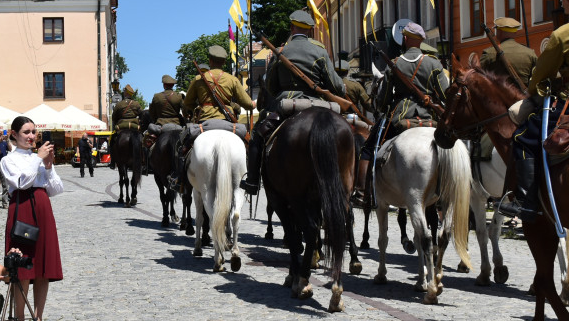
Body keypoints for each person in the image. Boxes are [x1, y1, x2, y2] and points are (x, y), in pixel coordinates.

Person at [502, 0, 569, 220]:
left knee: (524, 137)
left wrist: (537, 91)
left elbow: (540, 77)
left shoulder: (565, 33)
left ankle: (526, 202)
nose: (562, 3)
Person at [244, 12, 344, 195]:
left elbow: (272, 87)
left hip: (286, 104)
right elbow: (336, 85)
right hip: (318, 104)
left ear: (292, 27)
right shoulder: (320, 51)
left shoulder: (281, 52)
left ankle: (252, 181)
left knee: (258, 136)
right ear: (310, 30)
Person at [352, 21, 448, 205]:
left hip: (400, 116)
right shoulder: (434, 64)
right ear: (420, 41)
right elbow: (445, 95)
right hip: (430, 118)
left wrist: (382, 106)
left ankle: (363, 192)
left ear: (404, 39)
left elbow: (384, 99)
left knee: (368, 148)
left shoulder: (395, 63)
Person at [0, 115, 63, 321]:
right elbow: (21, 183)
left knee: (43, 268)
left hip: (43, 209)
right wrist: (38, 160)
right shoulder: (9, 159)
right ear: (14, 134)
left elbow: (56, 189)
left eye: (33, 132)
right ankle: (19, 318)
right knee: (23, 265)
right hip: (23, 209)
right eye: (26, 132)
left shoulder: (39, 157)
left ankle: (38, 317)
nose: (31, 136)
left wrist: (49, 165)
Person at [172, 45, 255, 190]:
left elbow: (187, 105)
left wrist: (188, 113)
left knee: (182, 148)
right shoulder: (232, 79)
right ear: (223, 62)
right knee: (251, 146)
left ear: (210, 61)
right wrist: (254, 103)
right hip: (228, 123)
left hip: (205, 122)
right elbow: (248, 104)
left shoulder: (199, 79)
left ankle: (180, 180)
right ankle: (252, 178)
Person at [480, 16, 538, 86]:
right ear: (515, 33)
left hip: (499, 95)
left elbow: (478, 76)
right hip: (525, 95)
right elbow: (537, 77)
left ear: (500, 32)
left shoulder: (489, 53)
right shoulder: (530, 53)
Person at [109, 84, 142, 170]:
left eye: (124, 91)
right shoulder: (136, 104)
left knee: (112, 141)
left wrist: (117, 124)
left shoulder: (119, 104)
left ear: (125, 93)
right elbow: (141, 115)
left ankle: (112, 162)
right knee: (143, 141)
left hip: (121, 127)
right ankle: (144, 160)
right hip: (134, 127)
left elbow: (114, 117)